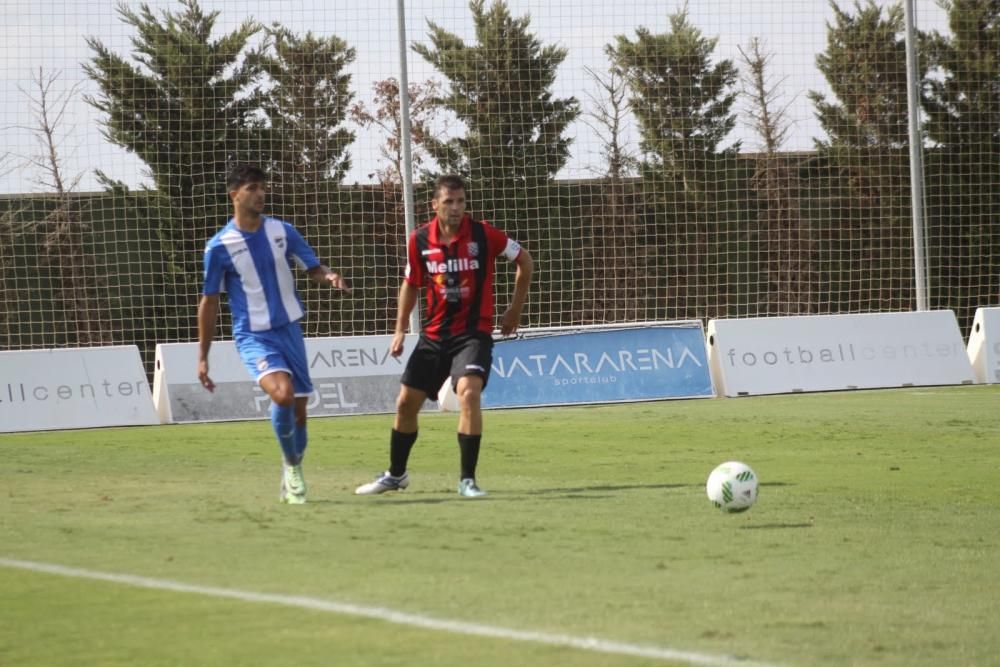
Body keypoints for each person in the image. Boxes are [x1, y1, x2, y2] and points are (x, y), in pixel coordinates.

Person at [355, 174, 533, 498]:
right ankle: (396, 475)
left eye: (461, 201)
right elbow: (411, 284)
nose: (455, 208)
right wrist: (398, 331)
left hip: (472, 334)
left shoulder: (483, 234)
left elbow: (524, 260)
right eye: (448, 202)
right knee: (405, 404)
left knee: (469, 393)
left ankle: (467, 480)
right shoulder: (419, 240)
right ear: (434, 204)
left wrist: (514, 311)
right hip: (433, 336)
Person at [197, 165, 351, 504]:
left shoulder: (282, 231)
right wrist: (203, 357)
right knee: (282, 394)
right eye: (252, 188)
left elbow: (312, 267)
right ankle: (294, 468)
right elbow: (209, 302)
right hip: (254, 336)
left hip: (290, 331)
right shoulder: (220, 246)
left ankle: (290, 462)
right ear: (234, 194)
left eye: (262, 188)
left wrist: (329, 276)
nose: (261, 194)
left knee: (299, 410)